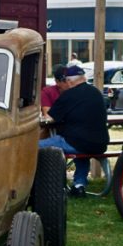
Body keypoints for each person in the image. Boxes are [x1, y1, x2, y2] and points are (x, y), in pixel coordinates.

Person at [39, 65, 109, 197]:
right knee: (81, 146)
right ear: (83, 78)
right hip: (100, 144)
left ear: (70, 81)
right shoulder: (96, 93)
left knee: (35, 146)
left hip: (77, 142)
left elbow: (50, 118)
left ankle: (41, 183)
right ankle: (79, 185)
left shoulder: (69, 95)